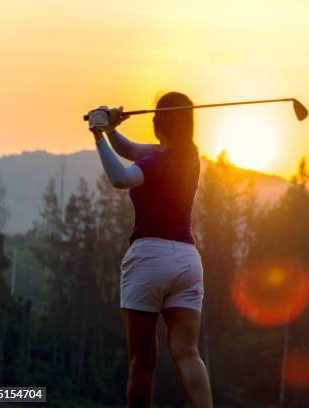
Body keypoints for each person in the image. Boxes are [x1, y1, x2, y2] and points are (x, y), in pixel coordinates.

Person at [87, 92, 213, 408]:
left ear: (157, 124)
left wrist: (98, 135)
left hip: (149, 260)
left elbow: (120, 178)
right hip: (187, 261)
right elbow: (129, 150)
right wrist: (113, 130)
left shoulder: (156, 161)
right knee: (188, 353)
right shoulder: (191, 156)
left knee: (142, 363)